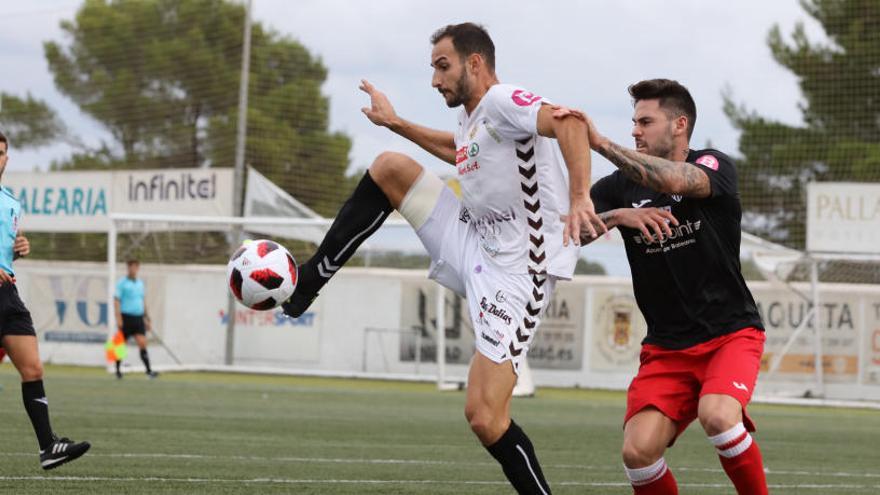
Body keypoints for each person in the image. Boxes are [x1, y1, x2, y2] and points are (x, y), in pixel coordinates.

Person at [282, 22, 604, 494]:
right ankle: (309, 280)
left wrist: (580, 196)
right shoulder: (473, 118)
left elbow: (570, 122)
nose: (435, 79)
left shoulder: (501, 99)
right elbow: (461, 151)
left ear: (475, 63)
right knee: (390, 167)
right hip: (474, 239)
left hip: (519, 272)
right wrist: (396, 124)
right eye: (433, 68)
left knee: (485, 417)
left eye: (443, 66)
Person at [568, 79, 768, 494]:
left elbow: (675, 182)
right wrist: (619, 216)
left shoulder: (714, 165)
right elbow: (571, 232)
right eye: (634, 122)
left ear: (679, 125)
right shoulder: (617, 189)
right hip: (667, 348)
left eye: (645, 121)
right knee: (637, 453)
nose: (635, 131)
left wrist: (600, 142)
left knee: (718, 416)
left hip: (729, 335)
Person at [0, 130, 91, 469]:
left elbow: (5, 255)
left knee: (33, 368)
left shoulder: (10, 200)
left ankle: (48, 447)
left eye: (2, 152)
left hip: (7, 295)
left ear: (7, 158)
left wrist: (17, 251)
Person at [114, 259, 157, 378]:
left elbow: (143, 301)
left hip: (138, 318)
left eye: (134, 267)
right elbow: (116, 301)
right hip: (126, 317)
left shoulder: (140, 283)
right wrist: (118, 318)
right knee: (120, 344)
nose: (131, 269)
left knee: (143, 343)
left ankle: (149, 371)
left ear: (137, 268)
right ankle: (117, 370)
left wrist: (147, 318)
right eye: (129, 267)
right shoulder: (121, 283)